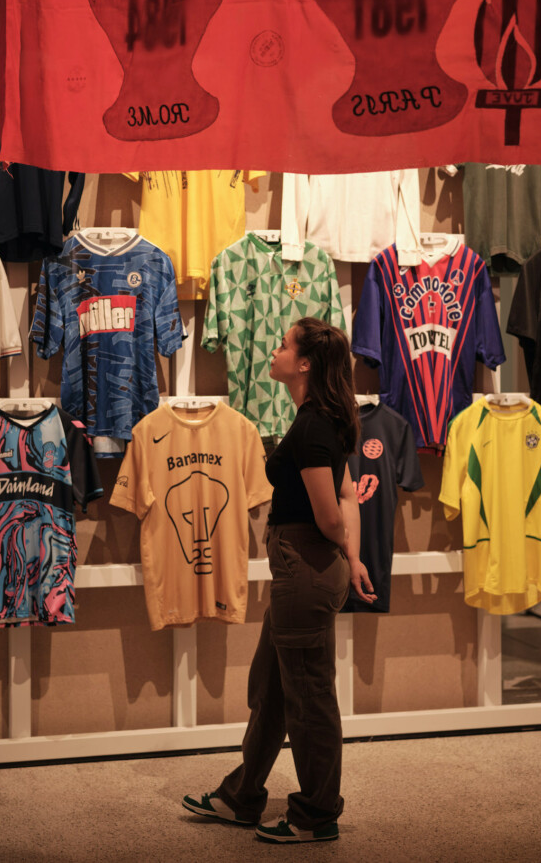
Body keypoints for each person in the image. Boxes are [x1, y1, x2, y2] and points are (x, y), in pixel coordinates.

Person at [182, 317, 376, 844]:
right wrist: (352, 560)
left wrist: (341, 552)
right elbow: (348, 493)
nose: (275, 349)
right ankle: (241, 797)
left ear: (305, 363)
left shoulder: (313, 426)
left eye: (284, 345)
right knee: (270, 687)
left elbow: (333, 512)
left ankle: (316, 814)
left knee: (310, 697)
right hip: (305, 569)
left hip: (305, 567)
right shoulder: (319, 420)